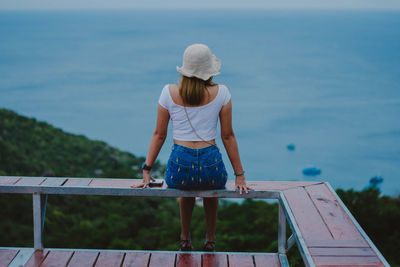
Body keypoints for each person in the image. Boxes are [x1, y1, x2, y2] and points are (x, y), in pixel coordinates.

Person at [133, 43, 253, 251]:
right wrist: (239, 175)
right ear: (208, 70)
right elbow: (228, 136)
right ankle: (210, 240)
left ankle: (185, 238)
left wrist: (146, 170)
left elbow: (159, 135)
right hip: (211, 165)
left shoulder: (168, 92)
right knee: (212, 189)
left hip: (181, 165)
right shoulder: (222, 92)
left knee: (184, 188)